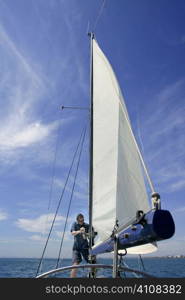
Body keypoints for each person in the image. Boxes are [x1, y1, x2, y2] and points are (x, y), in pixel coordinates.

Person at [70, 213, 90, 278]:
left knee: (92, 262)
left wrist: (85, 233)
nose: (82, 222)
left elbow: (92, 234)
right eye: (80, 221)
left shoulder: (87, 225)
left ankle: (94, 275)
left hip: (85, 247)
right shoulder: (74, 224)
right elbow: (72, 233)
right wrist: (79, 231)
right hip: (76, 247)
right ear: (77, 220)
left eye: (83, 220)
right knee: (75, 264)